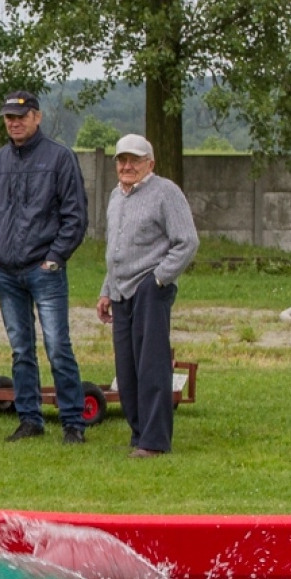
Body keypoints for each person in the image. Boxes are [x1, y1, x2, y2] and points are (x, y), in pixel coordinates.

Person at [0, 90, 90, 444]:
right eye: (9, 118)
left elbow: (75, 216)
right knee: (21, 349)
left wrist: (55, 257)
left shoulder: (60, 158)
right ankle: (29, 419)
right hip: (6, 272)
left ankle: (73, 422)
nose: (15, 123)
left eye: (21, 117)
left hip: (45, 270)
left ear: (37, 117)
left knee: (57, 346)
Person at [97, 134, 199, 458]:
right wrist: (106, 290)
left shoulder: (166, 192)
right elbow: (117, 250)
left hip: (150, 289)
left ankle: (154, 441)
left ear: (150, 164)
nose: (127, 166)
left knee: (151, 365)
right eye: (122, 160)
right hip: (121, 291)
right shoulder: (116, 196)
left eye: (135, 160)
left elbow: (187, 241)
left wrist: (158, 279)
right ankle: (139, 433)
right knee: (126, 367)